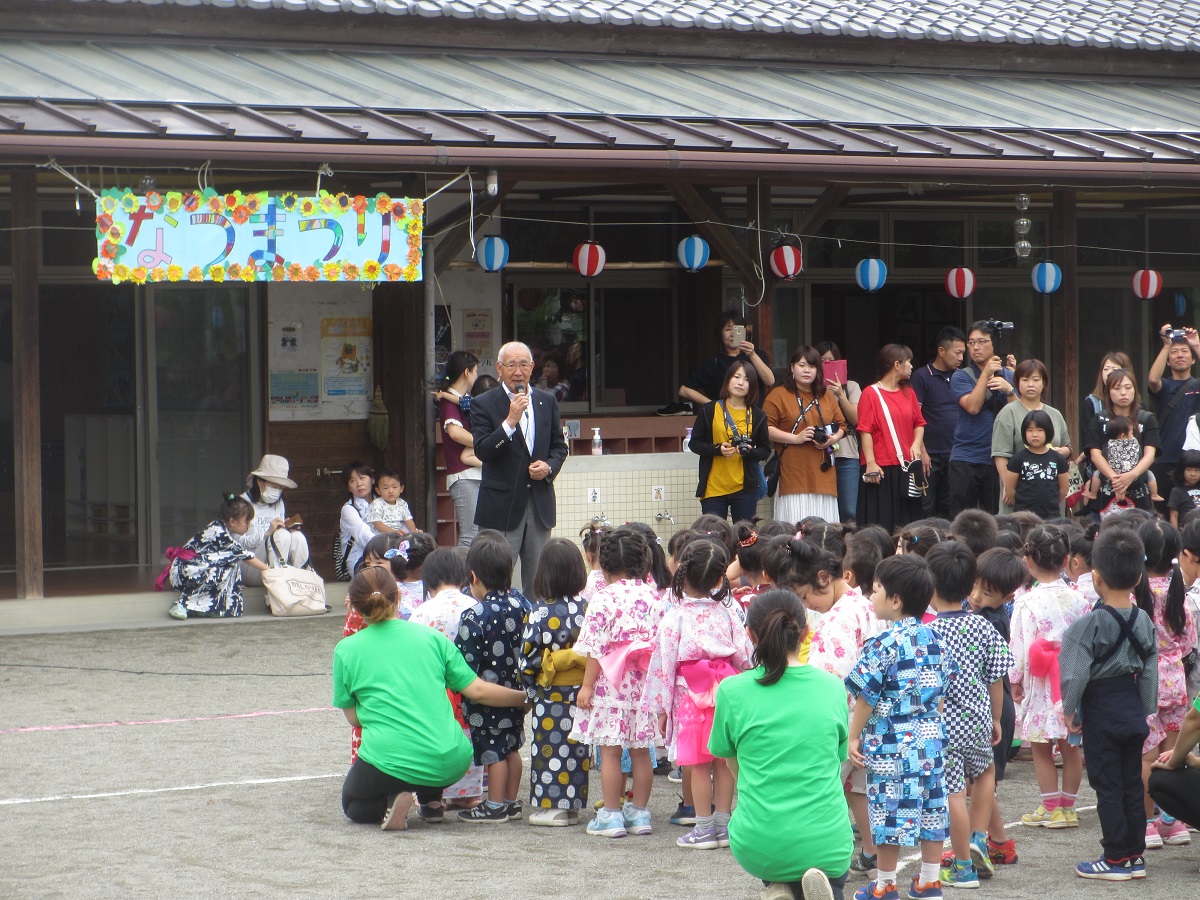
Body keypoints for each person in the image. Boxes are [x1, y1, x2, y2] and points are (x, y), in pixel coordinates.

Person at [333, 567, 527, 830]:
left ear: (355, 607)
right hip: (450, 760)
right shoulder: (432, 638)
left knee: (353, 803)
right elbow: (479, 691)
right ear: (397, 598)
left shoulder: (346, 650)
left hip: (388, 758)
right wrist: (526, 698)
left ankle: (392, 800)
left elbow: (354, 718)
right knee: (426, 754)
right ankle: (432, 801)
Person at [709, 589, 853, 900]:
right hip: (827, 840)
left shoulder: (732, 692)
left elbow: (732, 762)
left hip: (759, 842)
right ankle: (796, 888)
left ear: (750, 634)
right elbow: (837, 757)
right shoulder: (832, 688)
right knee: (830, 874)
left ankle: (780, 886)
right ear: (805, 633)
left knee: (779, 854)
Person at [846, 555, 956, 900]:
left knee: (890, 813)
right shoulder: (936, 638)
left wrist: (853, 735)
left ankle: (885, 885)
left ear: (895, 600)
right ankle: (929, 881)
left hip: (891, 743)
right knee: (931, 806)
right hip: (930, 740)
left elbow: (866, 695)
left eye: (875, 590)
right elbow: (940, 690)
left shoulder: (882, 644)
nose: (870, 597)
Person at [1059, 528, 1159, 880]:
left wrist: (1070, 710)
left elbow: (1075, 674)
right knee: (1131, 782)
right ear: (1137, 577)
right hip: (1132, 706)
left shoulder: (1087, 625)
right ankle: (1134, 855)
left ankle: (1114, 857)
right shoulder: (1144, 620)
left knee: (1107, 785)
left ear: (1095, 577)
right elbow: (1150, 671)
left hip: (1101, 709)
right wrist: (1146, 708)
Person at [647, 540, 753, 850]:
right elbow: (744, 657)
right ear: (721, 579)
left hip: (690, 695)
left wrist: (662, 710)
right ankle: (723, 824)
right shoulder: (729, 613)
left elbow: (663, 668)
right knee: (724, 761)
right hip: (726, 693)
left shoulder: (674, 618)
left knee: (697, 764)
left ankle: (704, 828)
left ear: (682, 572)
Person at [925, 542, 1013, 889]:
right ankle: (978, 838)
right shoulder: (982, 627)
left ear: (930, 586)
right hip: (978, 719)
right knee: (985, 771)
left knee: (952, 792)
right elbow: (996, 678)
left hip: (943, 725)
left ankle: (962, 866)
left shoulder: (929, 633)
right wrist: (995, 718)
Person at [570, 527, 665, 838]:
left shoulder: (603, 597)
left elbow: (595, 648)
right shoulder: (654, 597)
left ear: (605, 565)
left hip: (611, 683)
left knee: (610, 750)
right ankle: (639, 813)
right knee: (641, 749)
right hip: (644, 682)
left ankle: (610, 814)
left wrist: (586, 686)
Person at [805, 535, 886, 875]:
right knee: (859, 788)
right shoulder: (863, 603)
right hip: (872, 715)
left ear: (825, 578)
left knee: (822, 790)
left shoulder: (836, 621)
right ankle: (872, 853)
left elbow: (828, 685)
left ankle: (823, 859)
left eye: (805, 594)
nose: (807, 604)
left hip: (844, 719)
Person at [470, 341, 569, 596]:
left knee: (539, 582)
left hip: (538, 503)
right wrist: (510, 421)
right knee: (493, 579)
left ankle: (535, 631)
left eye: (524, 364)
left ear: (532, 367)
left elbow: (559, 447)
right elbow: (482, 450)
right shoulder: (483, 403)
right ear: (499, 369)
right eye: (511, 365)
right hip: (501, 505)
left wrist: (548, 467)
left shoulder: (546, 402)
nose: (518, 371)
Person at [1009, 525, 1090, 829]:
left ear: (1028, 561)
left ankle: (1050, 805)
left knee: (1042, 748)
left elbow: (1019, 647)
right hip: (1071, 680)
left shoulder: (1026, 603)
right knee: (1071, 747)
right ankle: (1067, 808)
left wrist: (1015, 680)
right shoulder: (1079, 600)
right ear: (1067, 558)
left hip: (1041, 683)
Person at [453, 539, 530, 824]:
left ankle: (495, 804)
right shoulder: (521, 604)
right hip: (517, 692)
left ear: (473, 577)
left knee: (493, 752)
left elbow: (465, 663)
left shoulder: (475, 616)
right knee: (512, 748)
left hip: (487, 699)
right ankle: (511, 801)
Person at [1132, 520, 1197, 849]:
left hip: (1143, 682)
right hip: (1175, 679)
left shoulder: (1134, 595)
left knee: (1145, 757)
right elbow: (1188, 644)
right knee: (1174, 753)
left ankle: (1147, 826)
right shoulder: (1178, 594)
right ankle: (1173, 822)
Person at [519, 538, 591, 826]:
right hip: (583, 690)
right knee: (576, 747)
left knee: (550, 745)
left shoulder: (539, 612)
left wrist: (530, 688)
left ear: (543, 573)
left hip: (550, 693)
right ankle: (572, 805)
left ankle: (552, 807)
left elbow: (526, 661)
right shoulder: (587, 609)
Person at [967, 547, 1030, 869]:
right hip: (989, 705)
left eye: (986, 592)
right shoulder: (981, 614)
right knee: (980, 782)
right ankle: (1001, 843)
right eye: (974, 586)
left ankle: (981, 841)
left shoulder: (990, 622)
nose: (976, 596)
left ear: (1006, 596)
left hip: (993, 708)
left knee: (981, 780)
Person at [410, 547, 484, 810]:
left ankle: (434, 795)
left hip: (436, 689)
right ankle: (469, 793)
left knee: (437, 737)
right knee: (469, 735)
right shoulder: (476, 606)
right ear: (464, 578)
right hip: (471, 685)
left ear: (427, 582)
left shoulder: (422, 612)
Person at [763, 346, 847, 525]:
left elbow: (842, 425)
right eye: (802, 365)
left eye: (812, 366)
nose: (807, 370)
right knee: (794, 529)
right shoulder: (778, 395)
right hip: (794, 474)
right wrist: (796, 438)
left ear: (818, 370)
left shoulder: (825, 395)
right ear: (792, 367)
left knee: (824, 530)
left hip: (824, 474)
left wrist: (833, 439)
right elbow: (765, 428)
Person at [856, 344, 926, 534]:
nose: (912, 366)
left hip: (905, 466)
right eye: (909, 362)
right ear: (897, 364)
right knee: (882, 523)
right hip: (881, 467)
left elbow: (919, 423)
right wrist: (870, 462)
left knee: (907, 524)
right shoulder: (870, 393)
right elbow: (865, 430)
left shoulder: (908, 392)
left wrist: (916, 445)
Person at [689, 359, 771, 523]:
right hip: (713, 487)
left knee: (745, 538)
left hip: (744, 488)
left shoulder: (758, 415)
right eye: (736, 377)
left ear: (752, 386)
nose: (741, 383)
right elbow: (694, 443)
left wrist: (749, 451)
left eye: (747, 379)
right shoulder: (710, 410)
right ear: (728, 380)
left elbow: (765, 450)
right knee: (714, 536)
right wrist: (717, 450)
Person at [949, 322, 1015, 517]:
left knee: (997, 519)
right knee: (962, 519)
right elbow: (972, 407)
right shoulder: (961, 376)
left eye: (981, 342)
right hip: (966, 457)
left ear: (994, 344)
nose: (975, 347)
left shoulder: (1010, 376)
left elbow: (1023, 414)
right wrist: (986, 374)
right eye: (971, 343)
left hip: (999, 458)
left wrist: (1009, 390)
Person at [167, 493, 268, 619]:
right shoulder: (219, 532)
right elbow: (245, 556)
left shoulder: (224, 530)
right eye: (246, 522)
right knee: (221, 568)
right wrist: (269, 570)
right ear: (232, 521)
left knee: (231, 567)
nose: (248, 526)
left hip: (196, 568)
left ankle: (204, 608)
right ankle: (183, 605)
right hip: (184, 571)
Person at [992, 358, 1071, 515]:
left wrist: (1062, 451)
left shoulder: (1055, 414)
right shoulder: (1008, 413)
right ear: (1017, 383)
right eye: (1025, 379)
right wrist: (1008, 487)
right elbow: (1000, 454)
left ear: (1044, 383)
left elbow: (1068, 446)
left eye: (1036, 380)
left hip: (1050, 495)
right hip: (1019, 492)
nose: (1030, 384)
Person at [1084, 368, 1161, 513]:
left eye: (1128, 387)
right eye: (1117, 388)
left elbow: (1150, 454)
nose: (1123, 393)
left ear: (1135, 390)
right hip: (1106, 490)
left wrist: (1131, 475)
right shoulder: (1099, 420)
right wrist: (1117, 480)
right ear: (1108, 392)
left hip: (1139, 488)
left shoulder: (1147, 419)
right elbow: (1095, 454)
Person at [909, 327, 967, 520]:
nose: (961, 358)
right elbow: (915, 417)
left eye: (963, 353)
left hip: (956, 452)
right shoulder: (921, 376)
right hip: (930, 453)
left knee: (950, 506)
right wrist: (922, 451)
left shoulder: (962, 376)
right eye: (957, 352)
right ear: (941, 351)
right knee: (925, 505)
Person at [671, 310, 774, 414]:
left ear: (744, 332)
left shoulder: (757, 355)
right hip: (726, 421)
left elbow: (770, 381)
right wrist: (715, 406)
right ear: (720, 333)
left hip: (754, 418)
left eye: (737, 329)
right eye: (728, 329)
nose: (733, 334)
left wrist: (752, 354)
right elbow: (684, 390)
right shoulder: (713, 361)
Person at [1148, 324, 1200, 511]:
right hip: (1165, 458)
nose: (1180, 355)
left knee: (1193, 515)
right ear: (1168, 361)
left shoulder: (1197, 385)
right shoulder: (1165, 386)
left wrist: (1196, 345)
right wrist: (1166, 345)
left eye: (1185, 352)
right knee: (1163, 513)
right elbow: (1153, 380)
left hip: (1194, 461)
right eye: (1175, 352)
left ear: (1193, 360)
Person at [237, 454, 309, 587]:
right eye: (274, 487)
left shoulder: (279, 503)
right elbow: (238, 544)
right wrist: (267, 533)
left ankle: (301, 584)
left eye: (280, 488)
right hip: (250, 565)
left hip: (275, 564)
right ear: (259, 481)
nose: (277, 491)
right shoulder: (241, 503)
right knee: (280, 536)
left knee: (298, 537)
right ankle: (277, 589)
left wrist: (286, 527)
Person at [435, 349, 482, 547]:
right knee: (470, 535)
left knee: (480, 535)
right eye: (476, 371)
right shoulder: (448, 403)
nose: (477, 376)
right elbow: (455, 433)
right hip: (464, 476)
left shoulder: (463, 400)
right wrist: (485, 444)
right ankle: (461, 578)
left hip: (475, 473)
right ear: (466, 372)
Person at [819, 341, 865, 524]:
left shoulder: (851, 386)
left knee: (848, 510)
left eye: (832, 361)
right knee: (823, 509)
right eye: (822, 361)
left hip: (847, 453)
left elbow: (856, 419)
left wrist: (840, 394)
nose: (827, 365)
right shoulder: (811, 389)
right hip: (820, 453)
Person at [1084, 416, 1164, 510]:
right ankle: (1154, 494)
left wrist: (1116, 479)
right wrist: (1131, 474)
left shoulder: (1108, 445)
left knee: (1096, 474)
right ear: (1123, 435)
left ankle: (1093, 493)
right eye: (1131, 433)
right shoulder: (1134, 444)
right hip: (1134, 477)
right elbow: (1147, 456)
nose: (1133, 436)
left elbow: (1097, 457)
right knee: (1150, 474)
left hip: (1110, 478)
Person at [1003, 409, 1071, 520]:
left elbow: (1063, 489)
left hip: (1051, 516)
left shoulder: (1058, 459)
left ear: (1048, 432)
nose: (1034, 434)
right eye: (1030, 430)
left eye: (1040, 430)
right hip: (1023, 517)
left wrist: (1052, 502)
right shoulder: (1017, 459)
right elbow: (1010, 489)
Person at [335, 461, 376, 581]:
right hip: (360, 559)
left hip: (386, 555)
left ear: (372, 480)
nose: (359, 484)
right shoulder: (348, 509)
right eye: (353, 481)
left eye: (362, 478)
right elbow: (364, 536)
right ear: (348, 487)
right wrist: (391, 547)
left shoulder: (383, 504)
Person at [365, 467, 417, 534]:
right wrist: (394, 532)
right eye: (385, 488)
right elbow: (378, 524)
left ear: (401, 488)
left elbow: (408, 520)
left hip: (399, 535)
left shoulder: (402, 503)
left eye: (394, 487)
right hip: (382, 537)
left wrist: (414, 532)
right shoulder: (377, 504)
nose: (390, 491)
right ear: (378, 490)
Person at [1168, 449, 1200, 526]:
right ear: (1182, 470)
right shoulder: (1177, 491)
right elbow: (1173, 516)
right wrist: (1176, 536)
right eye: (1189, 470)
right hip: (1186, 532)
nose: (1193, 474)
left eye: (1197, 470)